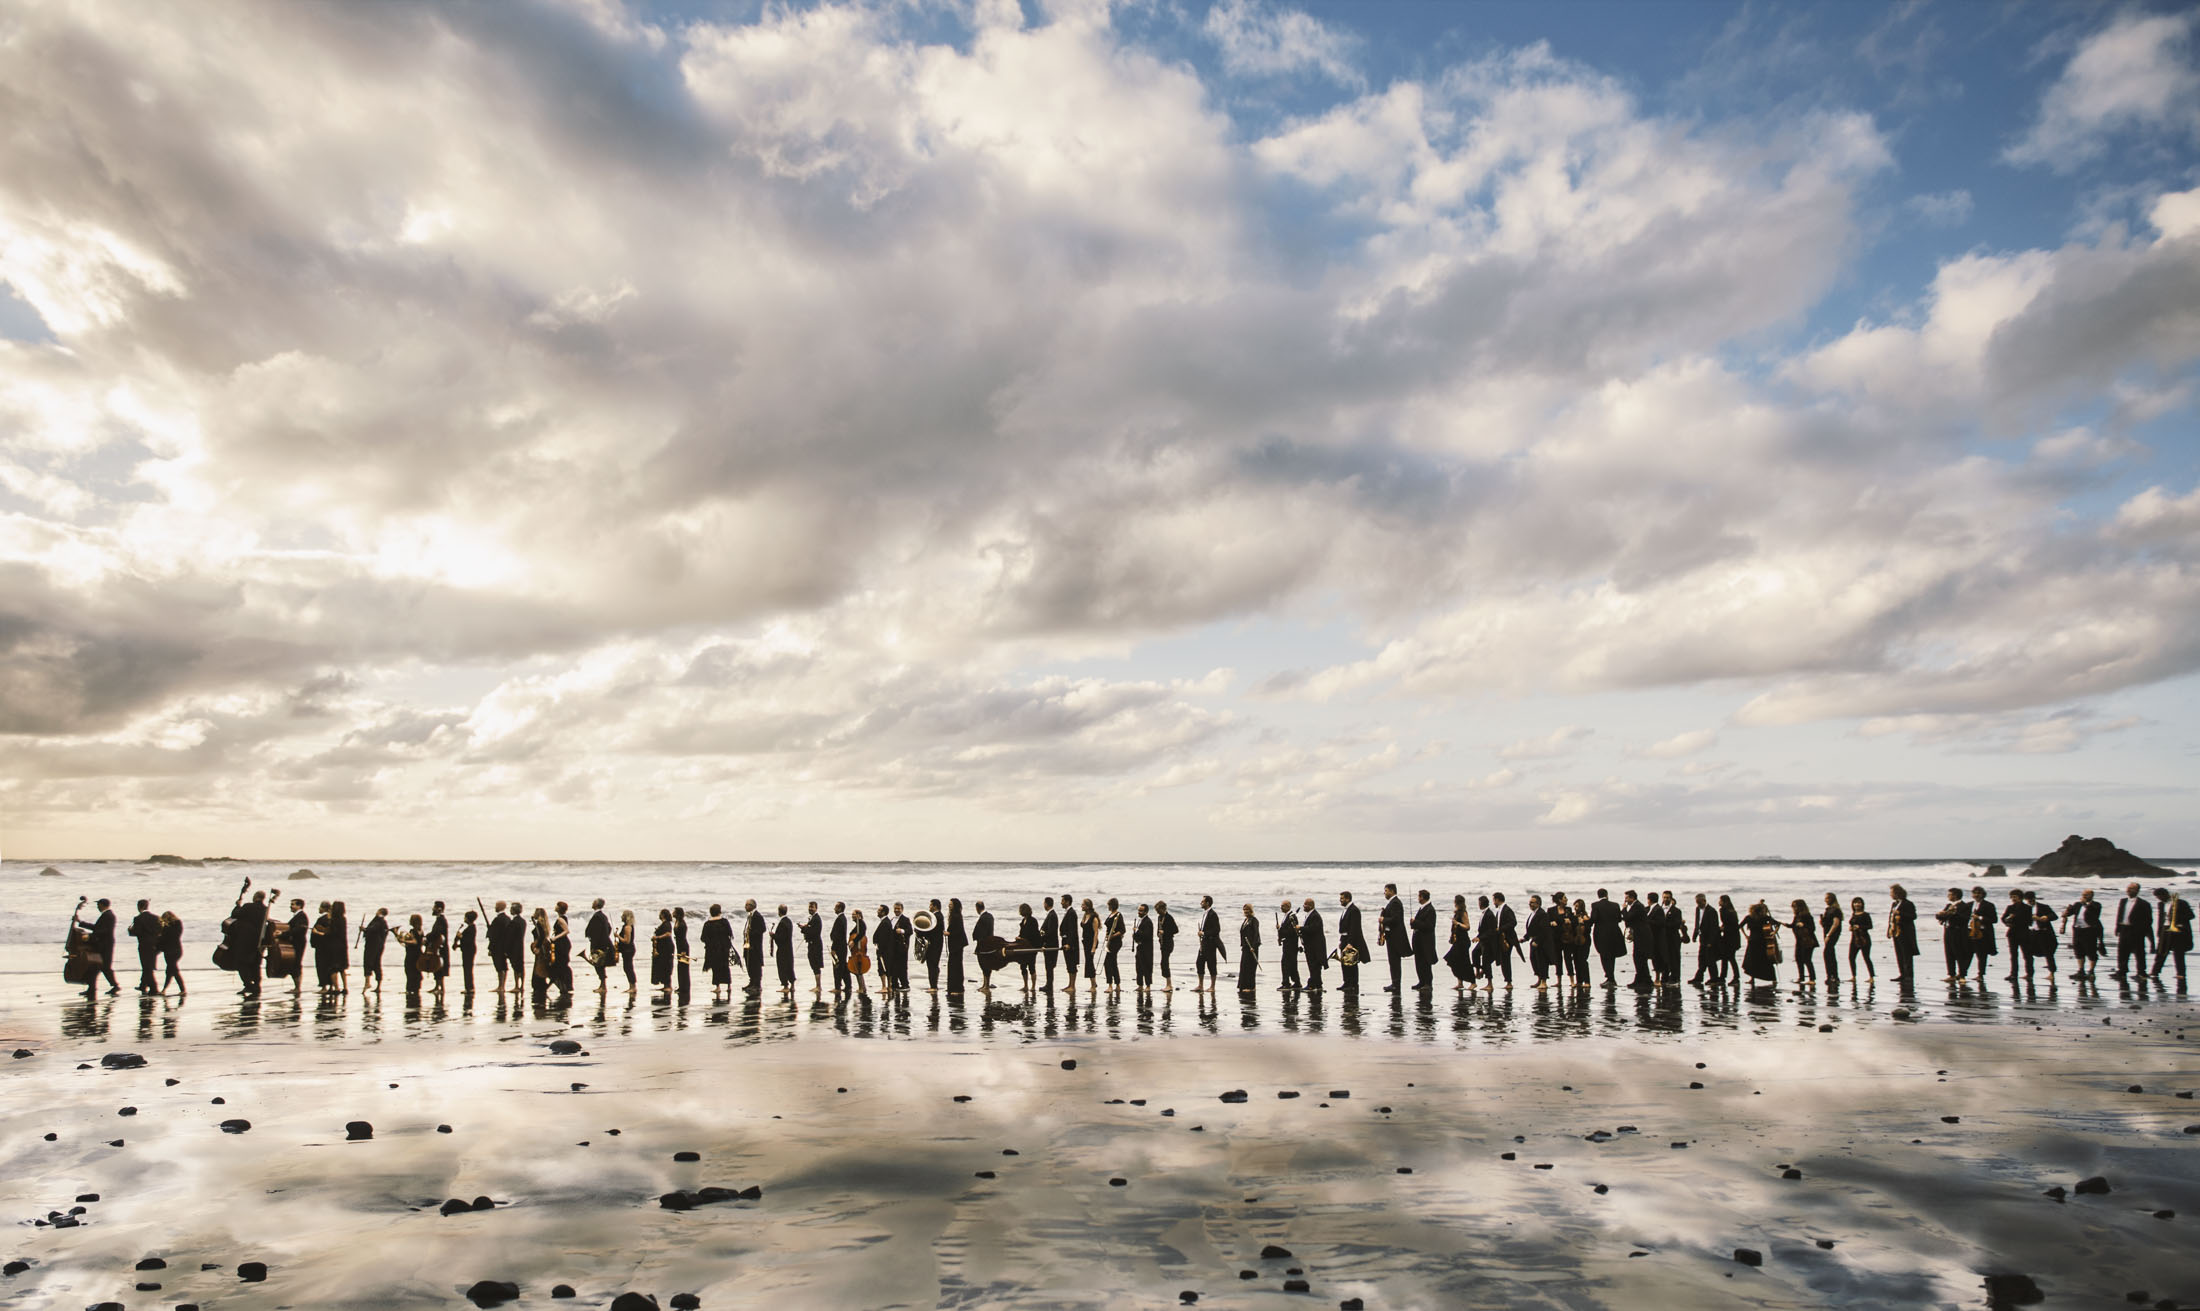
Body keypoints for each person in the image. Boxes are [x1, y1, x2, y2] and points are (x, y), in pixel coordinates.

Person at [2111, 882, 2152, 981]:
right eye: (2128, 888)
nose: (2129, 890)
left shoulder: (2144, 904)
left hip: (2136, 930)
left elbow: (2148, 920)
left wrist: (2141, 930)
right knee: (2122, 950)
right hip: (2124, 928)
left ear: (2137, 891)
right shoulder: (2123, 901)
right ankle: (2122, 970)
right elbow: (2120, 915)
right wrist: (2117, 927)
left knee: (2139, 952)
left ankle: (2141, 972)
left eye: (2132, 888)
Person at [2063, 888, 2103, 980]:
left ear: (2092, 896)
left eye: (2087, 894)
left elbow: (2094, 915)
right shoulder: (2078, 904)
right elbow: (2070, 912)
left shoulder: (2096, 905)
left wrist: (2085, 904)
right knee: (2078, 950)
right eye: (2083, 894)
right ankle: (2081, 970)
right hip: (2078, 930)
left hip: (2089, 930)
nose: (2084, 896)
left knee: (2091, 951)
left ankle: (2091, 971)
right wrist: (2066, 912)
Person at [2152, 889, 2191, 984]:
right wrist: (2159, 931)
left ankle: (2181, 973)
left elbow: (2190, 915)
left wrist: (2176, 919)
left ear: (2165, 895)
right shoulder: (2161, 904)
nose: (2159, 899)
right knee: (2161, 952)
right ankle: (2155, 972)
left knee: (2178, 953)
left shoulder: (2181, 903)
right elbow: (2161, 918)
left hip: (2177, 931)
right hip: (2165, 930)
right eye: (2157, 897)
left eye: (2159, 897)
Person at [1589, 889, 1624, 986]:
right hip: (1614, 933)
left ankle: (1610, 978)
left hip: (1601, 934)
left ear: (1598, 896)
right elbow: (1619, 919)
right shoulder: (1615, 905)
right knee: (1612, 956)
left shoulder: (1595, 905)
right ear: (1607, 895)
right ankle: (1611, 977)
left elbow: (1594, 919)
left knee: (1604, 956)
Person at [1378, 883, 1408, 993]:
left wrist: (1383, 920)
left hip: (1395, 937)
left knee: (1395, 961)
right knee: (1393, 961)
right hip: (1391, 936)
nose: (1384, 893)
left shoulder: (1395, 902)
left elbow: (1396, 919)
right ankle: (1395, 982)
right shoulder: (1392, 903)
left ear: (1391, 891)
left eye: (1386, 891)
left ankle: (1396, 983)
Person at [1740, 901, 1779, 983]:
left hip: (1753, 941)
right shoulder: (1765, 917)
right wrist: (1773, 933)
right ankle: (1773, 978)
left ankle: (1752, 979)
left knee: (1752, 960)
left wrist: (1746, 936)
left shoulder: (1749, 917)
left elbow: (1740, 926)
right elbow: (1778, 924)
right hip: (1762, 941)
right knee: (1765, 960)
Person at [1936, 888, 1970, 982]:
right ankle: (1951, 974)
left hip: (1958, 932)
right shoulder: (1949, 905)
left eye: (1950, 894)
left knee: (1959, 953)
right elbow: (1939, 916)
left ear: (1955, 895)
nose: (1948, 896)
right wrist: (1942, 914)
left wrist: (1953, 914)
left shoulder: (1964, 906)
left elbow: (1965, 919)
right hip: (1948, 931)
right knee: (1949, 953)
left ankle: (1962, 975)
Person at [1337, 891, 1368, 995]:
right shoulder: (1346, 910)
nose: (1340, 900)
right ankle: (1346, 982)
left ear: (1347, 899)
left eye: (1342, 898)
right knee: (1344, 962)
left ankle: (1353, 984)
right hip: (1344, 938)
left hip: (1351, 940)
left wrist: (1350, 942)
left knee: (1352, 963)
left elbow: (1354, 928)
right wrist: (1342, 941)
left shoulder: (1354, 910)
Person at [1888, 885, 1919, 987]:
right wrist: (1889, 929)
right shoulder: (1894, 904)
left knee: (1907, 954)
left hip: (1905, 932)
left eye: (1892, 892)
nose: (1890, 894)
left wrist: (1900, 913)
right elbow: (1891, 917)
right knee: (1899, 953)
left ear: (1897, 893)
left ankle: (1909, 975)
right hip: (1895, 931)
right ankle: (1902, 973)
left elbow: (1913, 916)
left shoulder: (1908, 904)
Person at [128, 899, 161, 995]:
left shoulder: (138, 918)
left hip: (144, 945)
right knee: (149, 965)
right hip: (155, 945)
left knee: (146, 967)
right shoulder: (156, 917)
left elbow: (137, 932)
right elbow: (160, 930)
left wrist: (130, 930)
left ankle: (154, 988)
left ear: (139, 907)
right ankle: (143, 985)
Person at [701, 904, 734, 999]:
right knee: (725, 966)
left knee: (715, 968)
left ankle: (718, 987)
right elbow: (730, 933)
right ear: (720, 911)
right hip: (724, 948)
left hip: (713, 949)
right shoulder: (724, 922)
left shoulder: (707, 924)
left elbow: (703, 938)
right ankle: (728, 986)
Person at [1474, 895, 1506, 990]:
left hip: (1489, 941)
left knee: (1486, 961)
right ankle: (1479, 970)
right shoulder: (1484, 913)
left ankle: (1490, 983)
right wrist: (1478, 937)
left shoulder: (1489, 914)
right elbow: (1483, 930)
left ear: (1481, 903)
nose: (1478, 904)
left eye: (1479, 903)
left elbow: (1491, 931)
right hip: (1483, 940)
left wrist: (1480, 938)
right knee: (1474, 953)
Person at [1444, 893, 1475, 988]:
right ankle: (1460, 982)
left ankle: (1473, 982)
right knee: (1454, 960)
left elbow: (1467, 926)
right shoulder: (1457, 913)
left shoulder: (1463, 912)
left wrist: (1457, 923)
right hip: (1457, 940)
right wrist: (1451, 937)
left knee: (1464, 961)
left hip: (1463, 940)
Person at [1409, 889, 1438, 991]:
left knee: (1426, 963)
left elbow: (1429, 926)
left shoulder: (1430, 910)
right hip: (1418, 941)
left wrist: (1415, 922)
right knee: (1419, 962)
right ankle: (1421, 981)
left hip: (1426, 941)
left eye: (1419, 896)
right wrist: (1413, 923)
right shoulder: (1422, 908)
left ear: (1422, 897)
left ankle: (1428, 983)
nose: (1418, 898)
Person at [1524, 894, 1554, 990]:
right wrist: (1525, 938)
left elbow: (1544, 930)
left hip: (1542, 943)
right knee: (1534, 960)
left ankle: (1544, 981)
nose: (1530, 904)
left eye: (1532, 902)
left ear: (1538, 904)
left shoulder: (1542, 914)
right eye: (1530, 902)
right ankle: (1539, 979)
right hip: (1533, 941)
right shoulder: (1533, 913)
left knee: (1542, 962)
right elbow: (1531, 929)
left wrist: (1537, 941)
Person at [1689, 893, 1720, 986]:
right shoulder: (1697, 909)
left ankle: (1714, 978)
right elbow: (1697, 923)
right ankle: (1699, 977)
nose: (1698, 904)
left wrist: (1711, 941)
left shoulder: (1712, 911)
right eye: (1696, 902)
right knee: (1701, 958)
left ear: (1704, 901)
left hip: (1710, 938)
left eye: (1699, 902)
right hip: (1702, 937)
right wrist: (1695, 934)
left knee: (1710, 960)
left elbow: (1714, 928)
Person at [1195, 896, 1224, 993]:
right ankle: (1200, 985)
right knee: (1199, 963)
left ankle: (1212, 986)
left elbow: (1216, 930)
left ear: (1207, 903)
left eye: (1202, 901)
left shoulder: (1213, 914)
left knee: (1211, 964)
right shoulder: (1205, 914)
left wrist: (1204, 933)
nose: (1201, 903)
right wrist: (1201, 932)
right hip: (1204, 942)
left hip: (1211, 943)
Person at [585, 899, 614, 993]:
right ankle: (602, 985)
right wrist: (605, 937)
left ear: (597, 904)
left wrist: (594, 944)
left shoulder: (597, 916)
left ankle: (603, 986)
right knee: (600, 965)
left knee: (599, 965)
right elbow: (609, 928)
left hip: (598, 945)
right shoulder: (603, 916)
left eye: (594, 902)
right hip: (604, 943)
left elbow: (596, 932)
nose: (592, 903)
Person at [1788, 898, 1818, 986]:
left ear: (1801, 907)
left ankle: (1812, 979)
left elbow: (1813, 928)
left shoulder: (1807, 916)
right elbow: (1792, 925)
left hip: (1808, 941)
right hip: (1799, 940)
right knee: (1798, 958)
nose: (1794, 909)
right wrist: (1782, 924)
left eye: (1795, 907)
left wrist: (1803, 925)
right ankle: (1801, 977)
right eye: (1793, 907)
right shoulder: (1796, 916)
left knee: (1807, 959)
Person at [1299, 897, 1326, 994]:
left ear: (1310, 906)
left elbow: (1313, 928)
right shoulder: (1310, 915)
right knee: (1313, 965)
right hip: (1311, 945)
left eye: (1305, 904)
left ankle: (1312, 985)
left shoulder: (1315, 915)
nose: (1303, 906)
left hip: (1315, 945)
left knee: (1314, 964)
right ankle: (1318, 984)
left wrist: (1301, 928)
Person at [361, 907, 389, 994]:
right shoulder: (382, 921)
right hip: (379, 945)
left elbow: (373, 929)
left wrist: (365, 929)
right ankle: (378, 986)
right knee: (377, 964)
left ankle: (367, 982)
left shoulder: (379, 920)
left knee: (368, 962)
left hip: (372, 945)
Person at [158, 910, 186, 996]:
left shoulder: (165, 928)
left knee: (172, 970)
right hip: (178, 950)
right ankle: (164, 989)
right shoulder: (178, 925)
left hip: (169, 951)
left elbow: (163, 939)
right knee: (171, 969)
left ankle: (182, 989)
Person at [1846, 897, 1875, 980]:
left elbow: (1870, 926)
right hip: (1854, 938)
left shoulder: (1865, 914)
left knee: (1866, 957)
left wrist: (1859, 926)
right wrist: (1851, 928)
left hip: (1864, 938)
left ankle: (1871, 977)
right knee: (1851, 957)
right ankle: (1853, 976)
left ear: (1862, 904)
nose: (1857, 904)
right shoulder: (1853, 914)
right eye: (1855, 903)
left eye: (1858, 903)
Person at [1819, 892, 1843, 986]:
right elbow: (1826, 924)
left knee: (1828, 953)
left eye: (1828, 898)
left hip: (1832, 934)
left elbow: (1836, 924)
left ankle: (1833, 976)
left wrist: (1829, 935)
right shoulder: (1828, 909)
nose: (1826, 900)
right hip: (1827, 932)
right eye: (1825, 898)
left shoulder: (1835, 910)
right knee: (1829, 953)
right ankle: (1831, 975)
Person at [488, 901, 512, 993]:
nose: (495, 907)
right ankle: (502, 986)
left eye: (496, 906)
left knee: (499, 966)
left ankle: (500, 986)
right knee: (504, 966)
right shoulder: (507, 919)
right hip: (505, 947)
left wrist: (490, 948)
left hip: (497, 947)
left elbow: (493, 936)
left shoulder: (498, 919)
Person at [922, 898, 945, 992]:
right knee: (933, 965)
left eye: (930, 905)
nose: (929, 907)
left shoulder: (936, 916)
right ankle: (934, 984)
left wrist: (920, 932)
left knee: (932, 965)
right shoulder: (938, 915)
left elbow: (931, 930)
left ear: (935, 906)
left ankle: (933, 986)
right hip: (936, 944)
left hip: (934, 945)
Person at [1016, 903, 1041, 991]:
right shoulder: (1023, 921)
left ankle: (1033, 986)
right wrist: (1019, 938)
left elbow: (1034, 934)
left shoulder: (1032, 921)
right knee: (1023, 966)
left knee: (1031, 966)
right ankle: (1025, 985)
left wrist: (1022, 938)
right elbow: (1022, 933)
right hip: (1023, 947)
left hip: (1031, 946)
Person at [1103, 899, 1126, 995]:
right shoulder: (1111, 915)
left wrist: (1112, 936)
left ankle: (1111, 985)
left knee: (1108, 962)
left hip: (1115, 942)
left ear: (1111, 905)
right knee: (1111, 962)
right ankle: (1117, 984)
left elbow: (1122, 930)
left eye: (1108, 905)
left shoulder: (1118, 915)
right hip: (1109, 942)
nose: (1107, 906)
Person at [745, 900, 768, 995]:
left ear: (752, 906)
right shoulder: (750, 916)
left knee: (756, 964)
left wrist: (752, 933)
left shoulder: (758, 916)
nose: (745, 907)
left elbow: (763, 929)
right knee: (749, 963)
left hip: (755, 945)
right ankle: (752, 982)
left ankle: (757, 984)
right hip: (749, 944)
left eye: (747, 905)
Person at [1059, 892, 1081, 992]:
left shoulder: (1072, 913)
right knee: (1069, 964)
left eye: (1063, 901)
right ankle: (1070, 984)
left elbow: (1072, 930)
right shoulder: (1068, 912)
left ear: (1067, 902)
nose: (1061, 903)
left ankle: (1072, 986)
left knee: (1072, 964)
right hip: (1066, 941)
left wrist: (1069, 943)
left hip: (1070, 943)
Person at [801, 902, 825, 994]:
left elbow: (813, 932)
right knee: (814, 964)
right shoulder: (813, 918)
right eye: (809, 907)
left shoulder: (816, 919)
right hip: (812, 944)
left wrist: (804, 929)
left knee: (816, 965)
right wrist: (805, 927)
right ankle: (817, 985)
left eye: (812, 907)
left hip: (815, 944)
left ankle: (818, 986)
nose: (810, 909)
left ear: (816, 908)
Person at [973, 901, 996, 993]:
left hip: (983, 945)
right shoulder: (990, 916)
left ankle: (986, 985)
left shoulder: (982, 918)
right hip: (990, 942)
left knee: (984, 965)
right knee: (987, 965)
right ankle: (985, 984)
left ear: (977, 908)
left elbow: (979, 934)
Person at [946, 898, 967, 995]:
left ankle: (957, 988)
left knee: (955, 966)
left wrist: (949, 933)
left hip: (957, 944)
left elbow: (958, 931)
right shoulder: (955, 915)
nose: (949, 906)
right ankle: (954, 987)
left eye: (951, 904)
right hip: (957, 944)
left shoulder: (956, 916)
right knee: (955, 965)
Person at [1237, 903, 1260, 994]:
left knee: (1250, 967)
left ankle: (1251, 986)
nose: (1246, 911)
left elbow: (1256, 934)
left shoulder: (1254, 920)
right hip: (1245, 947)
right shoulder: (1246, 920)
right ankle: (1243, 985)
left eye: (1247, 910)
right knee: (1244, 966)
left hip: (1252, 947)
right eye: (1244, 910)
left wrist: (1253, 946)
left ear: (1251, 910)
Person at [400, 913, 425, 995]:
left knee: (409, 970)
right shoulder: (421, 931)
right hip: (419, 953)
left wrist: (403, 941)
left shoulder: (412, 931)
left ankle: (410, 989)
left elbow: (414, 942)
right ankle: (417, 987)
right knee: (417, 971)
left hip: (411, 954)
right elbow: (421, 942)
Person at [774, 905, 797, 994]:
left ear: (779, 911)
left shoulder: (783, 922)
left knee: (782, 967)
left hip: (782, 949)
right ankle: (792, 985)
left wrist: (773, 936)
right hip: (789, 947)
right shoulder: (789, 921)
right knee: (789, 966)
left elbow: (781, 937)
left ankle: (785, 986)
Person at [651, 909, 674, 996]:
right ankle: (665, 984)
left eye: (660, 914)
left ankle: (668, 985)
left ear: (663, 915)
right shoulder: (664, 924)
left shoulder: (667, 924)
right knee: (662, 965)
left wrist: (658, 937)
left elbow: (668, 934)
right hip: (663, 947)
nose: (659, 915)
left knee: (666, 965)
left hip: (666, 947)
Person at [847, 907, 869, 998]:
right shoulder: (858, 924)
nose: (852, 916)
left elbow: (861, 934)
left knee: (858, 970)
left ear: (859, 916)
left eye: (854, 914)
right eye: (852, 914)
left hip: (859, 950)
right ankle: (862, 987)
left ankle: (862, 987)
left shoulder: (861, 924)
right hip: (857, 950)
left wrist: (853, 941)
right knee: (858, 970)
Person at [671, 906, 692, 1001]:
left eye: (674, 912)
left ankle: (685, 987)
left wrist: (683, 951)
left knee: (684, 967)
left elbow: (683, 938)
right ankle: (681, 986)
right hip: (679, 946)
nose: (672, 913)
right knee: (680, 967)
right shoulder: (677, 922)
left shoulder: (682, 924)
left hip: (683, 947)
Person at [1040, 897, 1061, 991]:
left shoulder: (1052, 915)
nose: (1043, 905)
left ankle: (1049, 985)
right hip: (1049, 943)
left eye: (1044, 903)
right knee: (1048, 966)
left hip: (1050, 944)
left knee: (1049, 966)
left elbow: (1051, 932)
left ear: (1046, 904)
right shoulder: (1051, 914)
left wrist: (1043, 938)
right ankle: (1048, 984)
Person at [1156, 900, 1178, 990]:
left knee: (1164, 962)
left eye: (1158, 910)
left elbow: (1176, 930)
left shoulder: (1169, 918)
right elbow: (1158, 928)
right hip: (1162, 942)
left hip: (1168, 942)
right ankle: (1168, 984)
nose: (1157, 912)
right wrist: (1158, 934)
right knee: (1163, 963)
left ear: (1163, 909)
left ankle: (1169, 984)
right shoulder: (1159, 917)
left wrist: (1164, 932)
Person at [830, 902, 850, 996]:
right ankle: (848, 985)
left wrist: (834, 948)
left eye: (835, 907)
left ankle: (837, 987)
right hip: (842, 946)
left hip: (839, 947)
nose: (834, 909)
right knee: (843, 966)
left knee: (838, 967)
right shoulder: (843, 918)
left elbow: (837, 936)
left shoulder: (840, 919)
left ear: (839, 908)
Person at [457, 909, 479, 995]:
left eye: (465, 917)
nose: (464, 918)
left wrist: (460, 937)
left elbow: (467, 941)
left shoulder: (471, 928)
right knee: (467, 968)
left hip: (469, 950)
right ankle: (469, 987)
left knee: (467, 969)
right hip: (469, 950)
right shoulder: (471, 927)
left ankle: (469, 988)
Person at [1133, 903, 1155, 991]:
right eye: (1138, 910)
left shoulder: (1148, 922)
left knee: (1146, 966)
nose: (1139, 912)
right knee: (1138, 966)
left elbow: (1147, 935)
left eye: (1141, 911)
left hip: (1147, 948)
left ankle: (1148, 985)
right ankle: (1140, 985)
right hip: (1140, 947)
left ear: (1146, 912)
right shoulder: (1141, 920)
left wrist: (1137, 931)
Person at [616, 909, 637, 991]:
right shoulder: (629, 926)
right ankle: (631, 986)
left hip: (628, 950)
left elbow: (627, 941)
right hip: (628, 950)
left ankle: (633, 986)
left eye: (622, 915)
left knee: (628, 968)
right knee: (628, 968)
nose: (621, 917)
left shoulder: (627, 927)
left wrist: (618, 936)